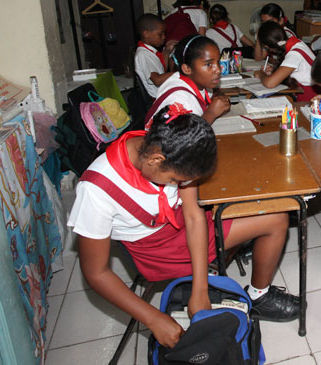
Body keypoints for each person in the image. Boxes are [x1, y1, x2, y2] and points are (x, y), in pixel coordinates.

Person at [67, 110, 301, 349]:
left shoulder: (171, 146)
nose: (178, 185)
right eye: (174, 181)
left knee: (275, 215)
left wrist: (199, 289)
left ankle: (257, 293)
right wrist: (153, 318)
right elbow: (96, 273)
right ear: (155, 160)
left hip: (183, 223)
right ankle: (236, 271)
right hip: (156, 249)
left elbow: (193, 216)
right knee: (274, 219)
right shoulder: (96, 189)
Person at [145, 35, 231, 126]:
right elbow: (182, 139)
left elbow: (209, 97)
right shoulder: (179, 100)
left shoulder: (194, 81)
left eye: (218, 62)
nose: (218, 70)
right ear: (187, 69)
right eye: (209, 64)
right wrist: (211, 113)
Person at [255, 21, 318, 101]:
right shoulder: (294, 42)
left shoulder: (294, 54)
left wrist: (261, 74)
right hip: (305, 92)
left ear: (267, 47)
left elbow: (270, 83)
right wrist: (276, 70)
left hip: (310, 98)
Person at [134, 14, 175, 98]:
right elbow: (157, 80)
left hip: (161, 94)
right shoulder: (144, 54)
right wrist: (179, 73)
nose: (164, 37)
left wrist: (166, 52)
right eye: (160, 34)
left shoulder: (149, 52)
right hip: (157, 98)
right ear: (146, 34)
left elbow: (161, 71)